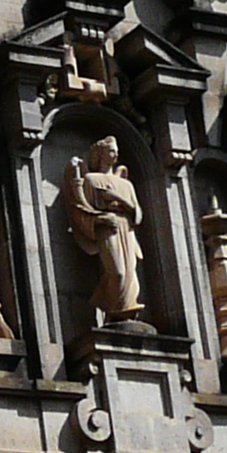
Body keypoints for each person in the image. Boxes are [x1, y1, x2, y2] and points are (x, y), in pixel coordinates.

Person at [65, 137, 148, 323]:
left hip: (126, 229)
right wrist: (101, 218)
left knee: (130, 272)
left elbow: (138, 214)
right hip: (107, 228)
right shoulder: (91, 180)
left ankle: (125, 312)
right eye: (111, 151)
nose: (116, 154)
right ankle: (114, 312)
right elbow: (82, 208)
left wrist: (119, 198)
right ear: (100, 155)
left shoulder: (126, 185)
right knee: (117, 271)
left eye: (116, 151)